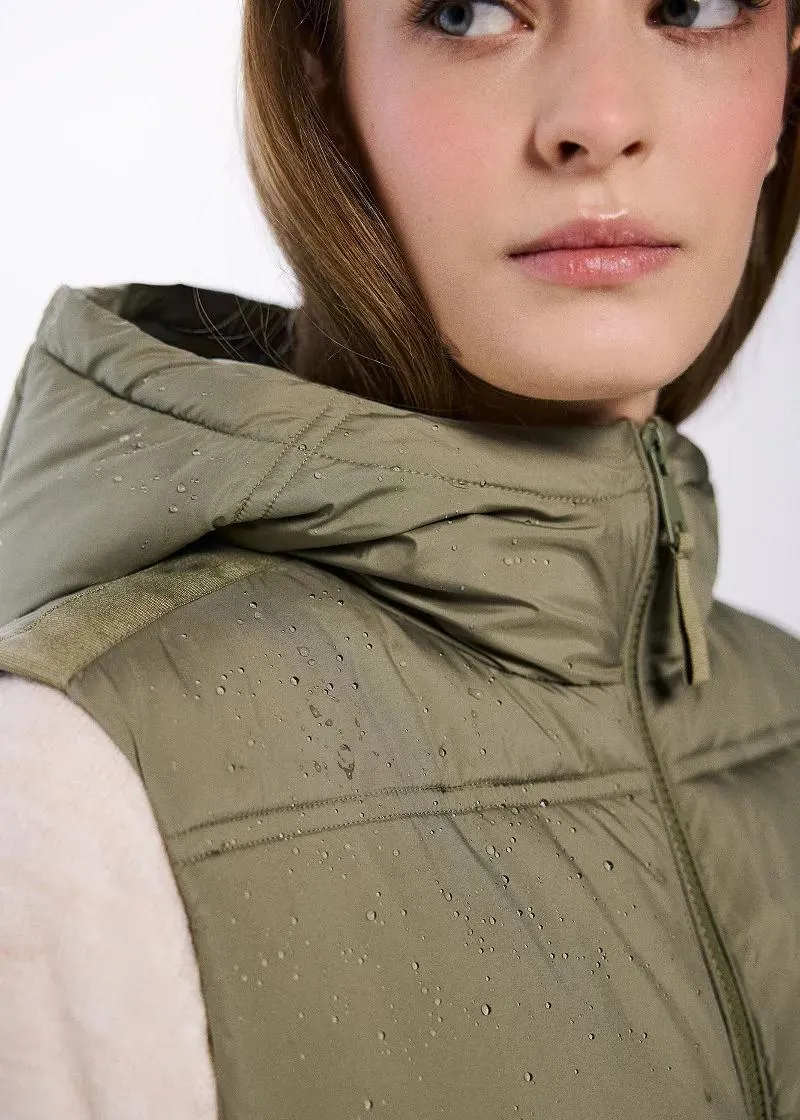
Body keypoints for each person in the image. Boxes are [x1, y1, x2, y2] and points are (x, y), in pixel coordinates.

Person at [1, 1, 799, 1117]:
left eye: (692, 6)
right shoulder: (69, 786)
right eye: (467, 12)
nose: (599, 120)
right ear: (323, 77)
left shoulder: (784, 707)